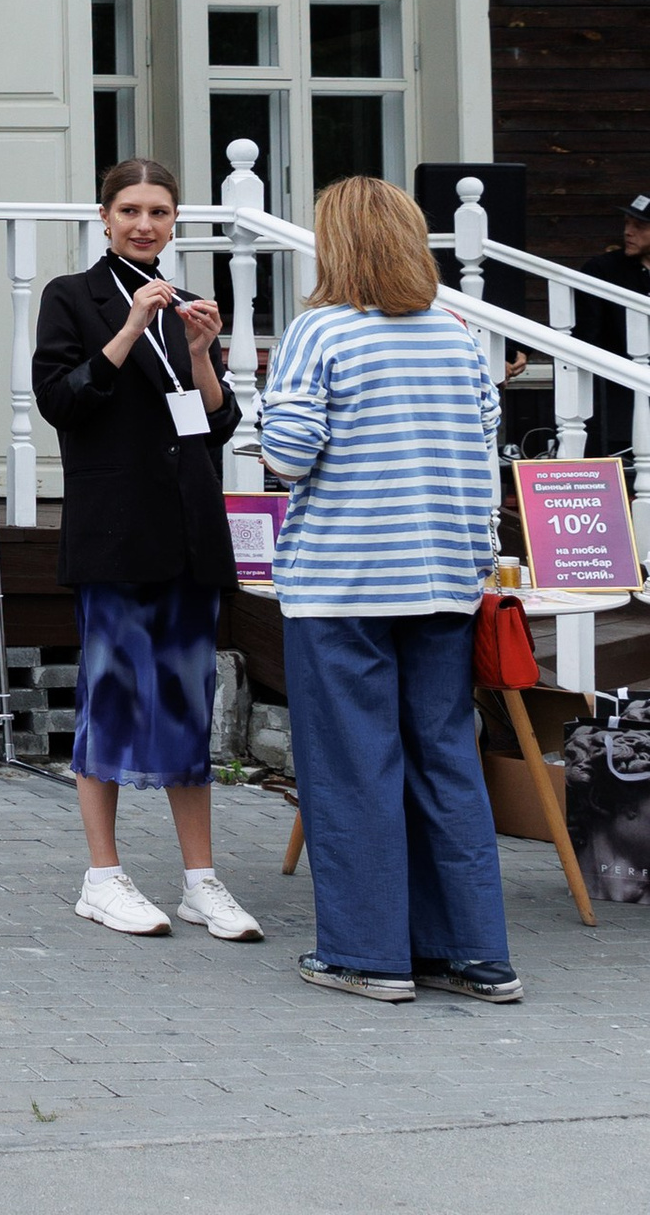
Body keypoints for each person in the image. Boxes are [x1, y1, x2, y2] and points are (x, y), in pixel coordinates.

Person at [259, 173, 520, 1004]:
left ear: (336, 243)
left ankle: (369, 955)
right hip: (444, 577)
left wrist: (271, 410)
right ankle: (476, 955)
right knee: (447, 759)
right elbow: (484, 435)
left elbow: (289, 457)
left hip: (343, 582)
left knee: (352, 766)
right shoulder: (454, 333)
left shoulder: (320, 332)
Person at [31, 158, 264, 942]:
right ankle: (103, 875)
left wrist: (201, 352)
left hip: (189, 532)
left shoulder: (184, 306)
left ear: (174, 221)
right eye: (129, 209)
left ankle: (201, 880)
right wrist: (130, 327)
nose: (144, 224)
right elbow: (63, 400)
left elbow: (217, 426)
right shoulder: (75, 297)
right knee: (113, 698)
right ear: (103, 217)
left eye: (159, 212)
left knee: (186, 706)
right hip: (115, 532)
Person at [579, 192, 650, 461]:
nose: (628, 232)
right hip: (619, 398)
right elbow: (582, 332)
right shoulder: (604, 270)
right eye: (626, 223)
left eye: (639, 226)